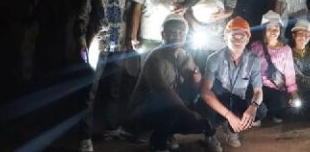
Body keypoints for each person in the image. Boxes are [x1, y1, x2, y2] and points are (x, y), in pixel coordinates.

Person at [75, 0, 132, 152]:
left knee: (115, 88)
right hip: (97, 43)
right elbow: (84, 10)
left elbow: (128, 11)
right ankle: (85, 136)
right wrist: (81, 40)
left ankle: (111, 127)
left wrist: (130, 38)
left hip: (119, 43)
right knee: (90, 90)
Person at [128, 15, 209, 152]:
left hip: (165, 106)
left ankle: (167, 135)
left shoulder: (183, 55)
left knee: (199, 106)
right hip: (143, 112)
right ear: (163, 35)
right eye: (172, 32)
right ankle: (157, 142)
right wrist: (188, 112)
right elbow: (164, 92)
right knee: (174, 108)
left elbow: (196, 85)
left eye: (180, 32)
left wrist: (194, 72)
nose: (177, 36)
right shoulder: (156, 58)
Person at [199, 17, 266, 152]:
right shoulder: (214, 59)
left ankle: (231, 129)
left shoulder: (254, 60)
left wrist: (252, 107)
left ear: (247, 39)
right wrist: (229, 115)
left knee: (261, 110)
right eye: (233, 36)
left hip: (236, 99)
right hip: (219, 99)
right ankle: (210, 134)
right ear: (225, 38)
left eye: (242, 36)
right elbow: (205, 92)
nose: (238, 40)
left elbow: (258, 91)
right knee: (203, 106)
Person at [250, 11, 300, 124]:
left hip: (277, 89)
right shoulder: (256, 47)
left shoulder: (286, 50)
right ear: (264, 30)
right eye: (270, 28)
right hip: (258, 88)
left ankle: (271, 112)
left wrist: (294, 96)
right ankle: (260, 113)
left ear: (280, 29)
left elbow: (290, 75)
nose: (273, 31)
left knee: (279, 115)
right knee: (257, 116)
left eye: (276, 28)